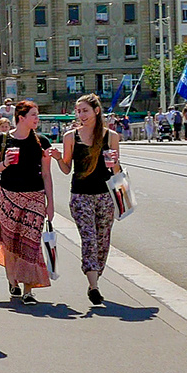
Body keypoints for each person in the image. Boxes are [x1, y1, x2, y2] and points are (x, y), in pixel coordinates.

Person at [0, 99, 55, 305]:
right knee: (10, 243)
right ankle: (12, 280)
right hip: (7, 197)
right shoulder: (2, 140)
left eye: (37, 114)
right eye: (33, 115)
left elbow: (47, 175)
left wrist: (50, 203)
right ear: (21, 118)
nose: (37, 119)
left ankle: (28, 290)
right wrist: (5, 163)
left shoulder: (42, 142)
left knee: (30, 244)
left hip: (35, 198)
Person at [54, 93, 120, 305]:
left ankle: (95, 277)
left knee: (103, 240)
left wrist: (115, 163)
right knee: (89, 239)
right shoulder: (71, 136)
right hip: (81, 196)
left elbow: (116, 172)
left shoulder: (111, 137)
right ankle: (94, 286)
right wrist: (57, 159)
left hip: (105, 196)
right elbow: (66, 169)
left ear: (96, 111)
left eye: (85, 110)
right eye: (78, 111)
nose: (81, 114)